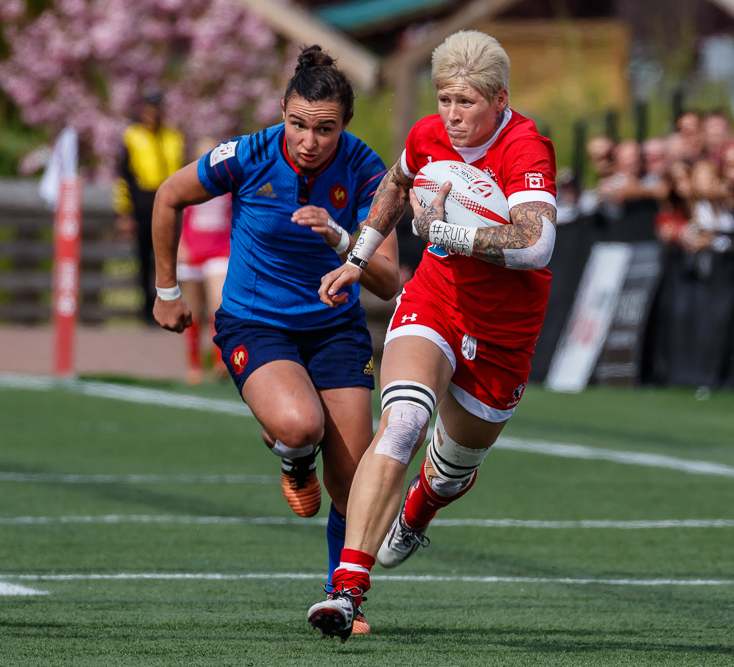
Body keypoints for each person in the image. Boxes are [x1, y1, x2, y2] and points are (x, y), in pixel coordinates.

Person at [306, 30, 557, 641]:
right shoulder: (429, 133)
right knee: (403, 421)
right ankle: (347, 589)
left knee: (450, 468)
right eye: (445, 99)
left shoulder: (527, 148)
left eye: (466, 102)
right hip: (436, 301)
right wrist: (359, 256)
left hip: (503, 332)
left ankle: (420, 506)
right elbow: (397, 182)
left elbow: (536, 243)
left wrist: (449, 234)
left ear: (499, 98)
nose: (452, 115)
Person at [148, 45, 401, 635]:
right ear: (282, 112)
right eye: (298, 124)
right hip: (254, 322)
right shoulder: (251, 153)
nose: (309, 140)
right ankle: (292, 456)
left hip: (335, 326)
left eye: (325, 129)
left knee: (353, 478)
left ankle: (344, 598)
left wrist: (343, 238)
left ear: (345, 126)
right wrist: (165, 291)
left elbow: (389, 282)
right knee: (299, 425)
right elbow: (168, 196)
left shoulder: (367, 171)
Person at [113, 88, 185, 324]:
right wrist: (124, 211)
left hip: (173, 203)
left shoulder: (174, 137)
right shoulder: (131, 136)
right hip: (143, 205)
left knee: (170, 257)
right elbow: (124, 177)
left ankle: (172, 304)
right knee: (144, 259)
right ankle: (147, 310)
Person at [177, 136, 232, 384]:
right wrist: (179, 245)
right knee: (193, 312)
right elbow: (174, 214)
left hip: (219, 252)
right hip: (190, 254)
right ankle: (194, 364)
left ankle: (221, 361)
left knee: (219, 304)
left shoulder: (230, 183)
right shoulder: (187, 183)